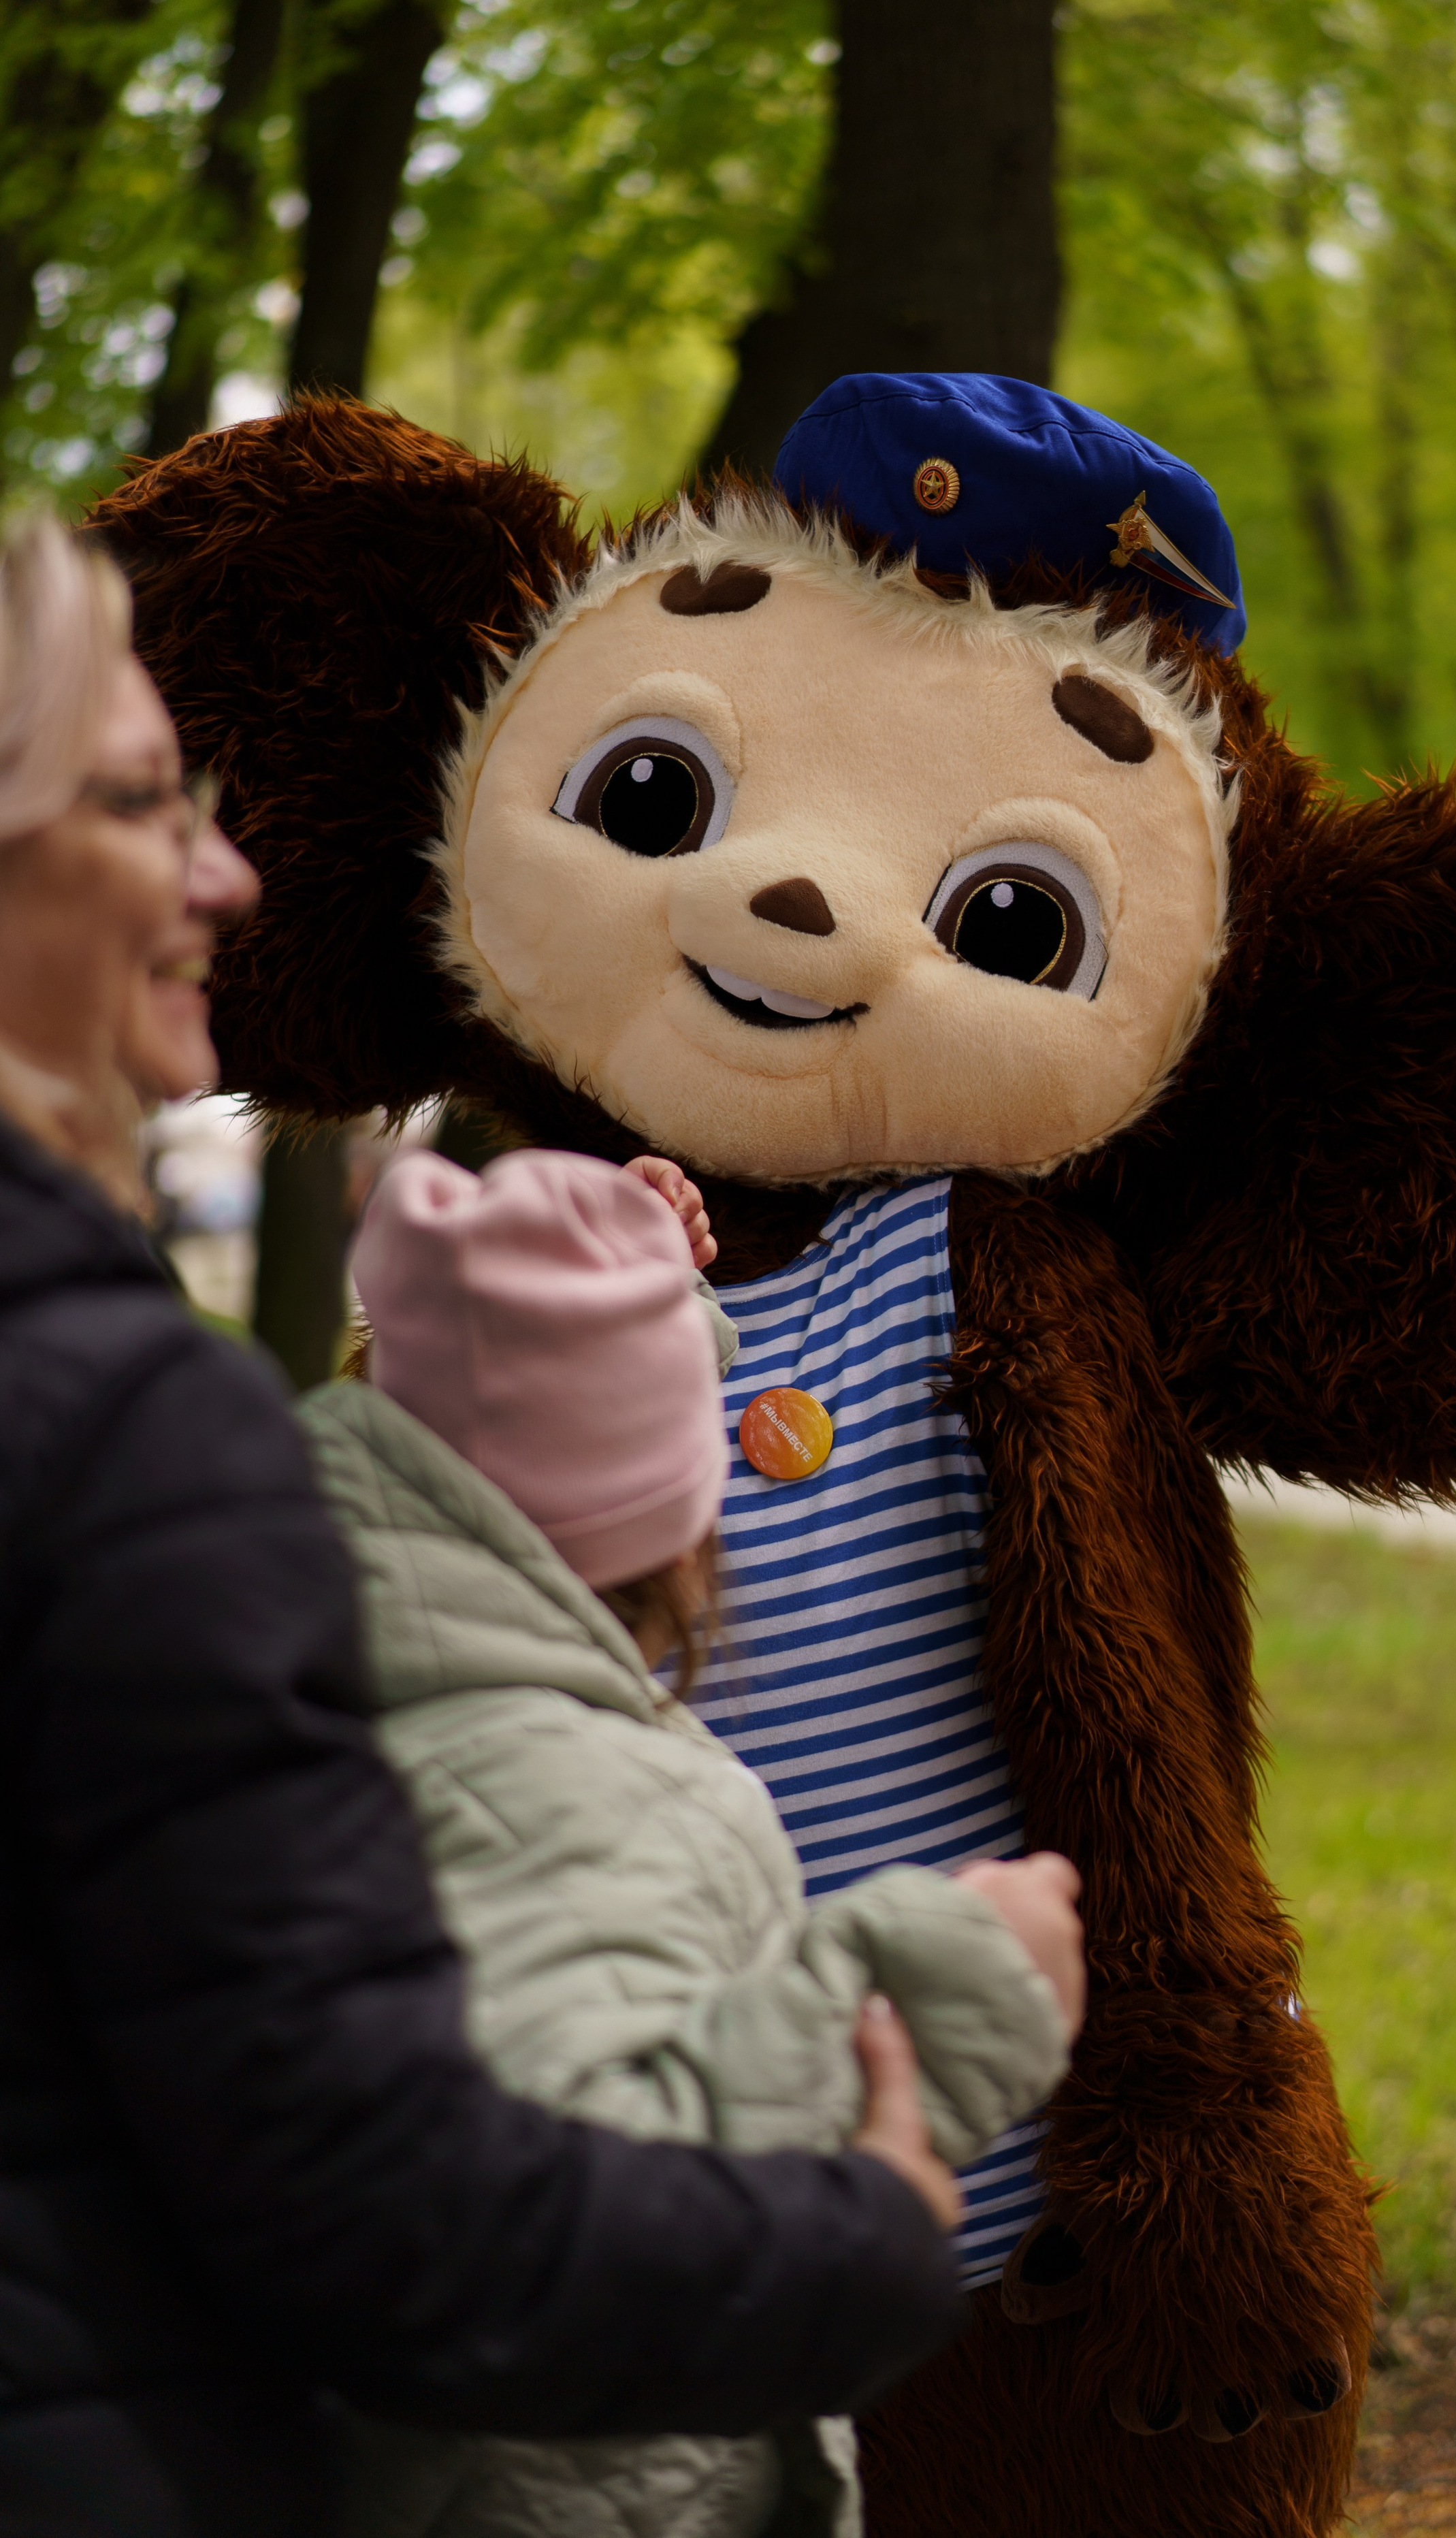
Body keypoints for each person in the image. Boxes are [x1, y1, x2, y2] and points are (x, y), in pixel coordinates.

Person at [0, 514, 981, 2538]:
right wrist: (861, 2236)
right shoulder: (119, 1436)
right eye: (131, 800)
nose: (225, 871)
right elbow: (399, 2216)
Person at [300, 1144, 1084, 2537]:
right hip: (596, 2494)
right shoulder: (587, 1799)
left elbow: (535, 1416)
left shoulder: (333, 1694)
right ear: (678, 1539)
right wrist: (950, 1986)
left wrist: (643, 1297)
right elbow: (579, 2215)